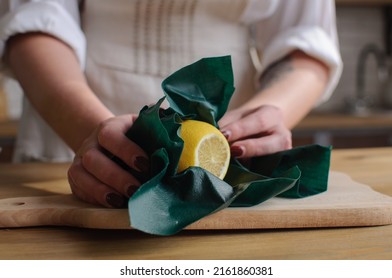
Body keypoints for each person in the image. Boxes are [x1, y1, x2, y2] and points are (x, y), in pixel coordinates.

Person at [0, 0, 342, 208]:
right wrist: (92, 133)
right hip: (75, 123)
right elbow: (35, 19)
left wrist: (272, 110)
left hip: (226, 152)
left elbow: (307, 41)